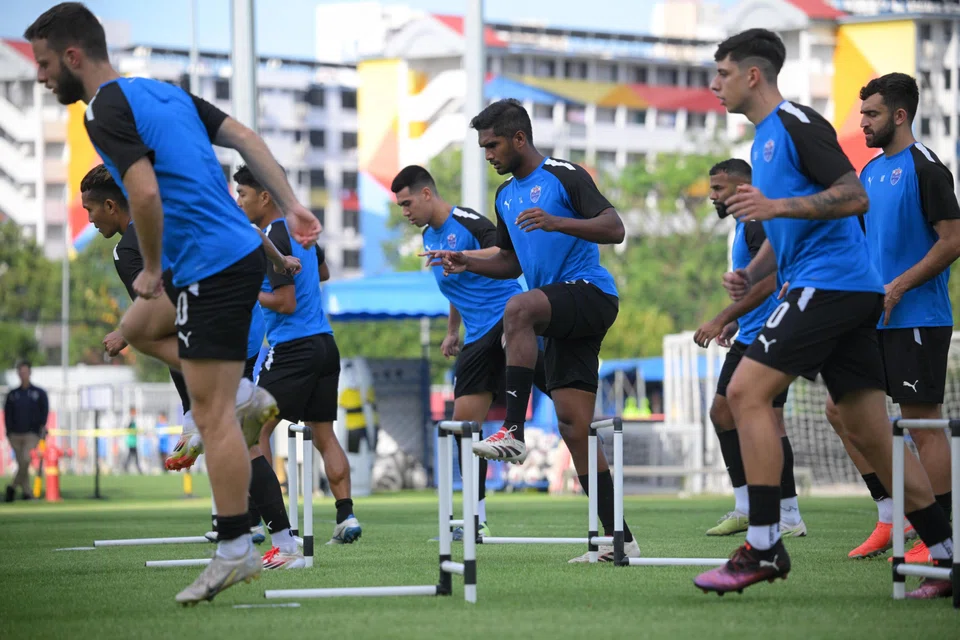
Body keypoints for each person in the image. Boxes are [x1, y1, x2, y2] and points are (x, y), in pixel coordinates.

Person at [26, 2, 320, 604]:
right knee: (135, 328)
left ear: (74, 57)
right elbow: (243, 136)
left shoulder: (104, 109)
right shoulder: (160, 93)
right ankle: (242, 399)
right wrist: (289, 203)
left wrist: (154, 268)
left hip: (208, 265)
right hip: (237, 253)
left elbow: (144, 192)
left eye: (45, 62)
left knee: (211, 419)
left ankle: (236, 549)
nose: (41, 76)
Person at [694, 27, 953, 600]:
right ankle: (947, 553)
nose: (715, 85)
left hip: (829, 287)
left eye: (723, 74)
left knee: (744, 394)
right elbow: (788, 232)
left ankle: (764, 543)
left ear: (753, 75)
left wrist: (775, 205)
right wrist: (751, 280)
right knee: (866, 427)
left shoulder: (796, 124)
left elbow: (851, 197)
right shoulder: (764, 140)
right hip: (846, 290)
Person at [425, 99, 640, 562]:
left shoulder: (565, 175)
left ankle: (514, 429)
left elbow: (615, 227)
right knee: (573, 426)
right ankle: (620, 538)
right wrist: (470, 261)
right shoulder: (505, 196)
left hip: (589, 292)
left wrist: (557, 220)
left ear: (519, 138)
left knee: (517, 309)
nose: (487, 154)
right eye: (482, 147)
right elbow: (509, 261)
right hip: (558, 313)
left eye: (493, 144)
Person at [80, 162, 302, 558]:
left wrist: (126, 332)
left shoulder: (129, 247)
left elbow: (160, 313)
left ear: (112, 205)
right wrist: (280, 260)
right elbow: (247, 231)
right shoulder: (175, 212)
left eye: (90, 210)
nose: (90, 219)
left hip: (214, 335)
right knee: (239, 443)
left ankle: (197, 421)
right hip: (246, 325)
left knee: (154, 334)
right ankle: (269, 537)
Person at [831, 72, 959, 564]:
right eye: (863, 113)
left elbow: (953, 240)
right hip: (872, 319)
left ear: (900, 115)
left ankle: (940, 534)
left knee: (921, 425)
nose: (863, 122)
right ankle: (893, 515)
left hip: (918, 318)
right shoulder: (868, 173)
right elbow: (861, 246)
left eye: (872, 114)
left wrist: (899, 286)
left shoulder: (927, 168)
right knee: (840, 412)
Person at [391, 164, 549, 542]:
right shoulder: (430, 236)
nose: (405, 212)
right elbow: (456, 286)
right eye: (400, 207)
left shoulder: (466, 221)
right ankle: (476, 520)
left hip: (509, 320)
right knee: (465, 428)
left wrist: (468, 256)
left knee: (565, 398)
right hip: (476, 336)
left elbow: (502, 250)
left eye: (408, 203)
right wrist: (451, 330)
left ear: (427, 194)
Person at [234, 164, 362, 550]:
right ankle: (346, 516)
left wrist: (250, 292)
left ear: (264, 196)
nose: (238, 202)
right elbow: (320, 271)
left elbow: (285, 303)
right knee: (324, 434)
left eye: (242, 194)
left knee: (249, 431)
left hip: (293, 347)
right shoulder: (298, 226)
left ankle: (263, 522)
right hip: (325, 344)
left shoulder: (273, 233)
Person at [693, 159, 806, 538]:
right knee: (725, 412)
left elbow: (770, 279)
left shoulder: (757, 223)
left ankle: (787, 515)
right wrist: (735, 321)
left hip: (771, 334)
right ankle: (751, 507)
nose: (712, 197)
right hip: (752, 332)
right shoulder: (744, 226)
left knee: (751, 416)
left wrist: (719, 317)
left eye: (718, 189)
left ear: (742, 189)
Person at [3, 361, 48, 502]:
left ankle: (12, 487)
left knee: (26, 459)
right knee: (23, 462)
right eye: (20, 372)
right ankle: (27, 493)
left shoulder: (38, 393)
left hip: (31, 434)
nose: (23, 375)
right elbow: (7, 414)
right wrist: (9, 432)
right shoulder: (13, 394)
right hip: (15, 434)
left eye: (25, 371)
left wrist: (40, 427)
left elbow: (44, 412)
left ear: (30, 372)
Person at [123, 407, 142, 474]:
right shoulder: (130, 420)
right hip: (131, 441)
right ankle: (138, 468)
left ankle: (125, 466)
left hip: (134, 441)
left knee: (131, 455)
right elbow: (127, 427)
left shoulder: (134, 420)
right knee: (133, 455)